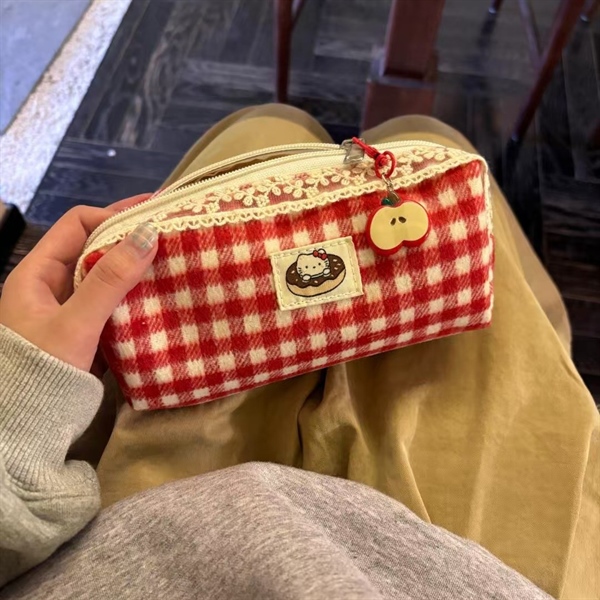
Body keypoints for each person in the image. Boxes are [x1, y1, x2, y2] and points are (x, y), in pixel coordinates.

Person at [0, 106, 598, 599]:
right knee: (429, 135)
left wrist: (21, 402)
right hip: (478, 570)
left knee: (263, 128)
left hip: (151, 525)